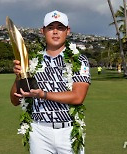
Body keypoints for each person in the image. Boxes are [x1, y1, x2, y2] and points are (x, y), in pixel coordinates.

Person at [10, 10, 91, 154]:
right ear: (43, 31)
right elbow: (15, 100)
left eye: (60, 28)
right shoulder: (32, 61)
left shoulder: (79, 60)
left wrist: (43, 95)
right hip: (39, 131)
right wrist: (19, 75)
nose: (55, 32)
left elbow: (78, 97)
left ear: (68, 31)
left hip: (68, 132)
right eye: (50, 28)